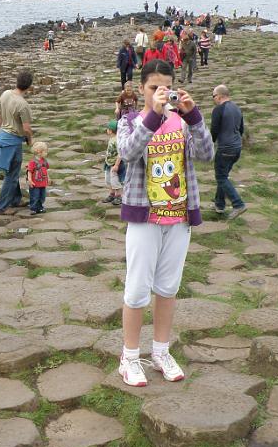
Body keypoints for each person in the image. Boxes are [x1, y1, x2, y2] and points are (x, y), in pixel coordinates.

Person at [116, 59, 214, 387]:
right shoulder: (130, 121)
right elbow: (128, 154)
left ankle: (160, 351)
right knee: (136, 290)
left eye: (166, 88)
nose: (161, 93)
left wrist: (194, 116)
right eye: (153, 88)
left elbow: (206, 155)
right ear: (141, 89)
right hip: (145, 218)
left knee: (168, 287)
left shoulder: (182, 122)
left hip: (178, 217)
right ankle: (129, 358)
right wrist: (153, 116)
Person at [0, 71, 34, 215]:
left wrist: (0, 130)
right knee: (11, 175)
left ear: (17, 82)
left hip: (2, 136)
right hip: (13, 141)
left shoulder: (5, 94)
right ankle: (2, 206)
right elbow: (26, 128)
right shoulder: (23, 105)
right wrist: (30, 138)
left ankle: (16, 199)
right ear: (29, 87)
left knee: (12, 172)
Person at [211, 85, 246, 220]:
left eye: (213, 96)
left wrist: (209, 145)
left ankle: (238, 204)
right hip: (236, 147)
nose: (213, 99)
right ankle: (219, 205)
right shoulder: (237, 108)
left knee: (221, 177)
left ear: (219, 96)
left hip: (225, 148)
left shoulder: (218, 109)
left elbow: (214, 130)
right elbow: (241, 129)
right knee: (223, 175)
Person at [102, 120, 124, 206]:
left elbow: (120, 153)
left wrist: (116, 165)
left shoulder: (117, 140)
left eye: (107, 129)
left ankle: (118, 196)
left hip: (114, 164)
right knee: (108, 180)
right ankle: (111, 194)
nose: (106, 130)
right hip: (108, 163)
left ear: (110, 130)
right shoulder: (112, 139)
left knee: (114, 180)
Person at [26, 141, 50, 215]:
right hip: (35, 183)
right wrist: (30, 180)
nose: (46, 153)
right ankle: (33, 208)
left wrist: (48, 178)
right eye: (45, 151)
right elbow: (29, 171)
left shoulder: (44, 161)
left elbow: (46, 170)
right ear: (39, 152)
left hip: (42, 183)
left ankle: (40, 207)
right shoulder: (33, 162)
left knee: (42, 196)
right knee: (35, 196)